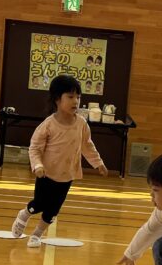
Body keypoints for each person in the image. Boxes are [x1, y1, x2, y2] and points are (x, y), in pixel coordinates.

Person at [11, 74, 107, 247]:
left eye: (78, 97)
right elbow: (35, 147)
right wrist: (38, 165)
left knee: (53, 210)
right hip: (46, 174)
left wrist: (98, 163)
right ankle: (24, 214)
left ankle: (37, 235)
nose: (75, 101)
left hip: (67, 175)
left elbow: (87, 145)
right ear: (57, 99)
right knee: (39, 204)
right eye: (70, 97)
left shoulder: (81, 124)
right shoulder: (49, 124)